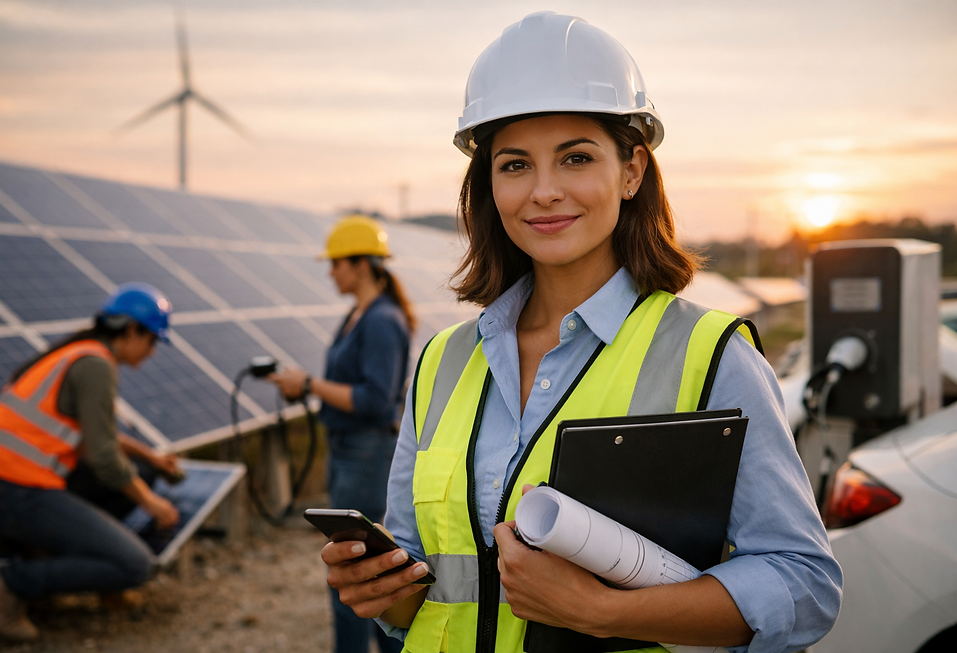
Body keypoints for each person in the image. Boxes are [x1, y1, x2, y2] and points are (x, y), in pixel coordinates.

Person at [320, 12, 843, 653]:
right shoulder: (442, 362)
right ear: (487, 182)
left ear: (632, 171)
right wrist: (384, 590)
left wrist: (602, 611)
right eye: (515, 165)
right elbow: (434, 590)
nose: (543, 191)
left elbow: (803, 583)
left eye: (575, 158)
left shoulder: (709, 356)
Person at [0, 282, 180, 641]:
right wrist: (152, 505)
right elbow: (103, 457)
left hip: (0, 480)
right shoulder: (96, 366)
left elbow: (97, 435)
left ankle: (41, 549)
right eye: (152, 341)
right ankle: (9, 583)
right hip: (13, 487)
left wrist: (151, 458)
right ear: (132, 330)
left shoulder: (78, 353)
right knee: (133, 564)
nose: (151, 353)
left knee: (144, 473)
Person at [268, 214, 414, 653]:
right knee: (362, 570)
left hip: (367, 456)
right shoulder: (361, 314)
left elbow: (374, 400)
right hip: (350, 452)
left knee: (358, 571)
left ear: (361, 264)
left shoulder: (381, 321)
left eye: (336, 263)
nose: (331, 272)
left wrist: (309, 385)